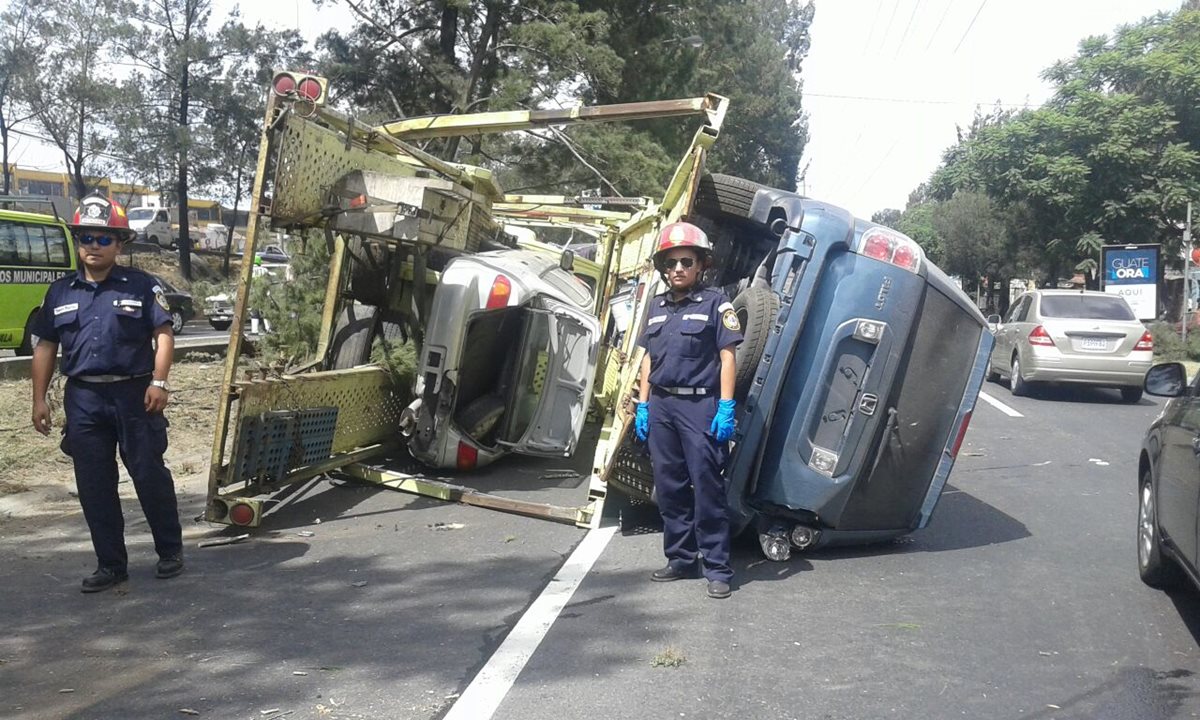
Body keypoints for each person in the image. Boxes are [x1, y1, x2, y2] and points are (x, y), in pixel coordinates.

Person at [30, 192, 184, 593]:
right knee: (94, 484)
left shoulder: (141, 285)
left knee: (149, 474)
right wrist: (38, 398)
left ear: (120, 244)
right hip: (83, 400)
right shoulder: (60, 292)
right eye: (86, 238)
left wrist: (160, 382)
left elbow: (163, 334)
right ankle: (111, 564)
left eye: (103, 239)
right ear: (77, 241)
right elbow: (45, 346)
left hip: (136, 395)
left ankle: (170, 551)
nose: (93, 247)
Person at [634, 221, 743, 599]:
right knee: (669, 487)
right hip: (662, 405)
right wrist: (644, 405)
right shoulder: (655, 307)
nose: (677, 268)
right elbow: (649, 357)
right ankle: (681, 559)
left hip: (700, 405)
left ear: (701, 266)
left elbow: (727, 358)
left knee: (707, 486)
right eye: (671, 262)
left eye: (686, 261)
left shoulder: (717, 303)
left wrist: (726, 406)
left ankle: (717, 567)